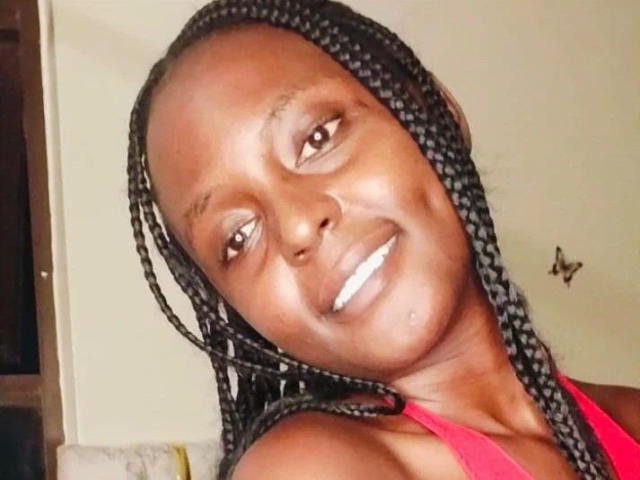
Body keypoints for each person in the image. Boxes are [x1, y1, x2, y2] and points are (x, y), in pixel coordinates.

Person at [126, 1, 640, 479]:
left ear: (434, 110)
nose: (299, 226)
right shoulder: (309, 469)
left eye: (318, 138)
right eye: (238, 237)